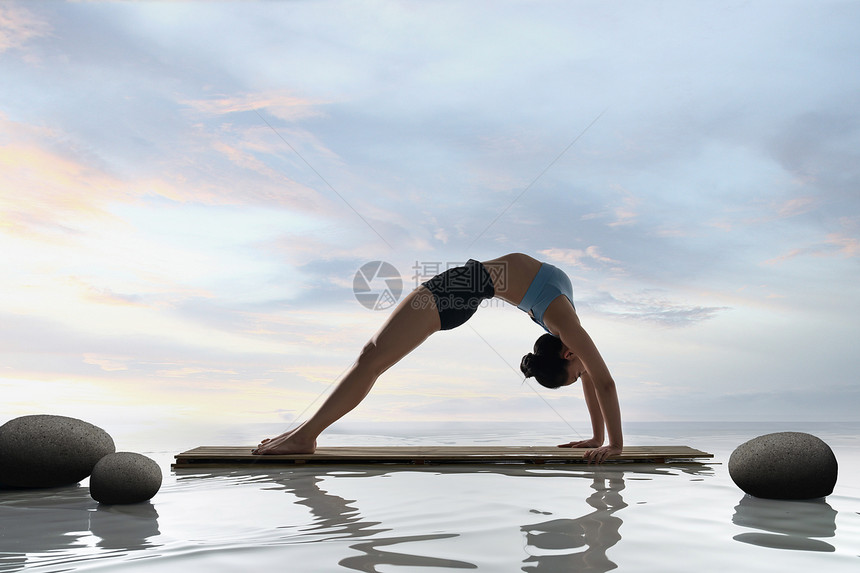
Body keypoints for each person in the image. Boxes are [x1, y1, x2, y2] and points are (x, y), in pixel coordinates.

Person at [254, 253, 623, 463]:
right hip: (459, 290)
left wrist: (598, 437)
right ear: (569, 354)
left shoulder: (564, 323)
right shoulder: (564, 323)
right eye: (575, 375)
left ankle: (305, 435)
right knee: (372, 358)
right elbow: (601, 380)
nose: (583, 375)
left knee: (371, 358)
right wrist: (611, 443)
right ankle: (304, 433)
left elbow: (594, 380)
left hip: (459, 291)